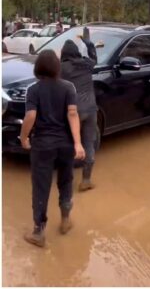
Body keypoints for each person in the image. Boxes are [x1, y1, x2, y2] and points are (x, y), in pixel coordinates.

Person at [20, 50, 86, 247]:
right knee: (66, 181)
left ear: (38, 67)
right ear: (57, 67)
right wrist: (77, 143)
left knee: (41, 187)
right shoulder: (68, 87)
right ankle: (65, 219)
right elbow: (72, 114)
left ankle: (39, 232)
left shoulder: (33, 90)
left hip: (42, 146)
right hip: (66, 145)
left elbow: (30, 116)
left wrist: (24, 137)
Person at [61, 29, 98, 191]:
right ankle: (86, 180)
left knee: (70, 145)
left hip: (73, 113)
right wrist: (88, 43)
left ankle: (67, 182)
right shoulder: (87, 64)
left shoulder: (62, 68)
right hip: (90, 109)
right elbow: (94, 58)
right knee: (89, 144)